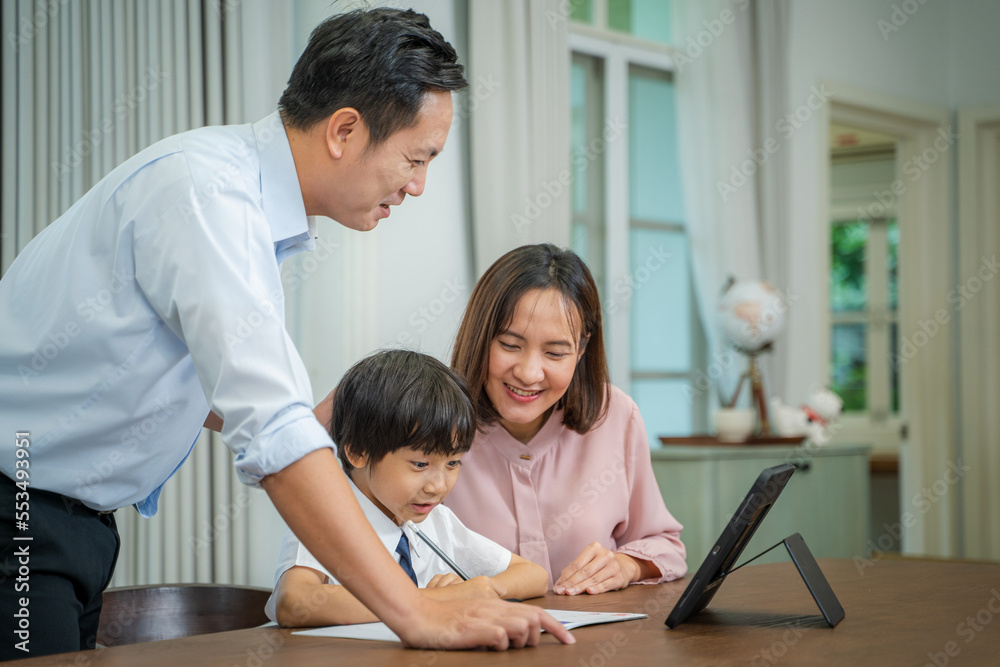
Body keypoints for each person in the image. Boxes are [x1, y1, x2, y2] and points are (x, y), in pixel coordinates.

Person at [0, 9, 571, 660]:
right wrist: (416, 610)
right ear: (346, 130)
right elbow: (270, 431)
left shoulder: (238, 202)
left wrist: (311, 416)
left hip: (66, 519)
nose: (417, 186)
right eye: (416, 159)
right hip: (20, 506)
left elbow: (185, 376)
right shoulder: (208, 197)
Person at [445, 244, 687, 595]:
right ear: (481, 337)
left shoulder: (615, 416)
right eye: (510, 346)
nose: (529, 374)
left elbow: (665, 544)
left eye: (555, 353)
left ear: (582, 349)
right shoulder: (432, 425)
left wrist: (625, 565)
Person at [266, 350, 548, 627]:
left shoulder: (436, 523)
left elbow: (534, 575)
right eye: (420, 464)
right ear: (358, 451)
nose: (438, 486)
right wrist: (430, 600)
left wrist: (482, 589)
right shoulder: (324, 515)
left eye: (453, 463)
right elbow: (294, 602)